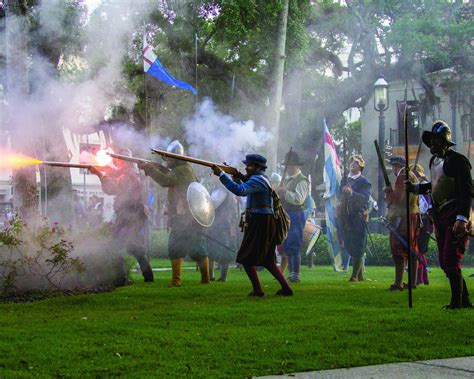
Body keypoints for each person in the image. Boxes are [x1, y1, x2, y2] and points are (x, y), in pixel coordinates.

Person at [406, 121, 472, 309]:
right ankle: (464, 300)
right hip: (441, 214)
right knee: (445, 261)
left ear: (445, 142)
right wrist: (416, 188)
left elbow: (467, 191)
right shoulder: (434, 161)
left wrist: (462, 218)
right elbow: (435, 186)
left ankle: (456, 303)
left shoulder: (458, 161)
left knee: (451, 258)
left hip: (455, 213)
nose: (432, 144)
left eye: (436, 140)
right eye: (431, 141)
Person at [211, 153, 293, 297]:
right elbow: (243, 186)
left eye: (249, 165)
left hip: (261, 222)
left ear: (257, 167)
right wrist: (235, 177)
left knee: (246, 258)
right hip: (262, 221)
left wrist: (222, 175)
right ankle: (286, 288)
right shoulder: (259, 179)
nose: (246, 168)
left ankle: (258, 290)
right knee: (268, 261)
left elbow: (240, 191)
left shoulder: (258, 180)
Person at [138, 140, 210, 287]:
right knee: (191, 247)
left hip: (186, 217)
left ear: (176, 159)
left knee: (185, 247)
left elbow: (165, 180)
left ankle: (179, 280)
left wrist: (151, 170)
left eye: (169, 157)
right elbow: (169, 175)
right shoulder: (184, 169)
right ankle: (203, 279)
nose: (167, 160)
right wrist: (153, 167)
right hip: (185, 216)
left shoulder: (182, 170)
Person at [89, 148, 154, 284]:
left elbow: (112, 189)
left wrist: (100, 175)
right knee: (134, 247)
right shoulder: (132, 173)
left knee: (114, 246)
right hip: (134, 215)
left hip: (128, 215)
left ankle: (120, 279)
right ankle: (148, 277)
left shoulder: (127, 176)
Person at [385, 156, 419, 291]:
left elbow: (398, 199)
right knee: (411, 248)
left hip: (403, 217)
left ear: (395, 166)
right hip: (412, 215)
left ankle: (398, 283)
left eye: (393, 167)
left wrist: (388, 191)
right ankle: (412, 282)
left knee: (398, 249)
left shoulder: (402, 177)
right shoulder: (411, 175)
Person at [337, 155, 371, 282]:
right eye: (351, 162)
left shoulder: (364, 182)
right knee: (349, 243)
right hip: (345, 216)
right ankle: (360, 274)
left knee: (358, 245)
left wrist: (352, 193)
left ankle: (355, 275)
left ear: (361, 166)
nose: (352, 164)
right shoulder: (345, 180)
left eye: (356, 163)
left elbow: (364, 198)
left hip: (357, 216)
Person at [277, 151, 310, 283]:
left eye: (290, 166)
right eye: (287, 166)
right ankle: (291, 273)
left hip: (295, 214)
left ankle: (295, 273)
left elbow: (299, 199)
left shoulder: (302, 180)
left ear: (297, 166)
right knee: (286, 244)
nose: (288, 168)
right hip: (285, 214)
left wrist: (284, 192)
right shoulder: (286, 180)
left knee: (293, 243)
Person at [207, 182, 240, 282]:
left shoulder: (223, 190)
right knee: (210, 249)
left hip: (224, 223)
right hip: (216, 223)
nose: (211, 176)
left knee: (224, 250)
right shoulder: (214, 189)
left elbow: (213, 204)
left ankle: (223, 277)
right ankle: (210, 276)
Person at [410, 163, 432, 285]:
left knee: (418, 250)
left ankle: (420, 278)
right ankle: (423, 279)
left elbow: (424, 205)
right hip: (422, 220)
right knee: (418, 250)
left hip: (424, 221)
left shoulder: (423, 184)